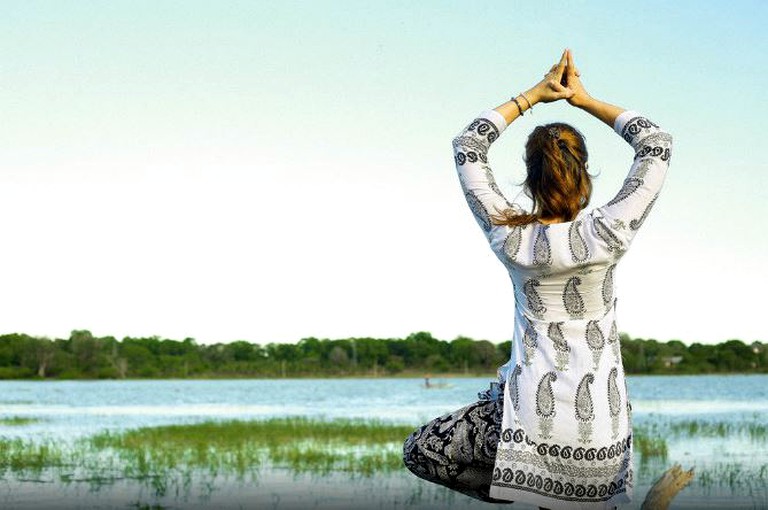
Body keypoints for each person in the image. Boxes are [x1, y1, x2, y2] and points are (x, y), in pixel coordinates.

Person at [402, 48, 673, 510]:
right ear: (584, 176)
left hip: (527, 431)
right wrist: (583, 100)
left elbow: (468, 145)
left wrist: (533, 95)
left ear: (529, 179)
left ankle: (520, 483)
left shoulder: (511, 239)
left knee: (420, 450)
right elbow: (656, 143)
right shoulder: (608, 232)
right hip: (602, 443)